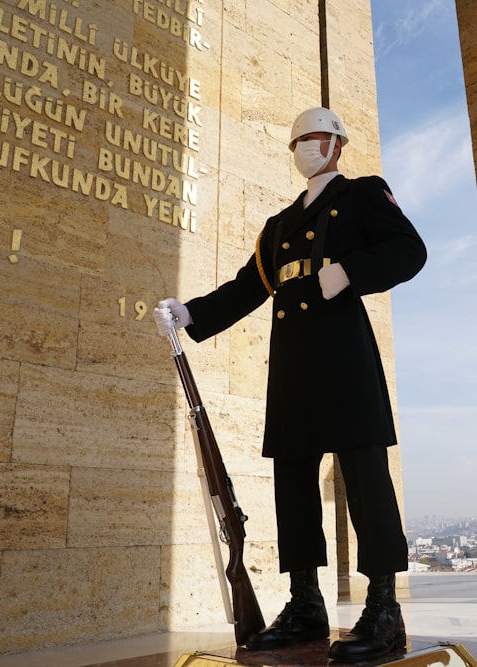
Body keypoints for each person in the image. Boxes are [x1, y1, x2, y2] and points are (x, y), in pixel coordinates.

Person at [153, 107, 426, 662]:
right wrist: (189, 313)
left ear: (338, 146)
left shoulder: (363, 195)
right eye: (299, 139)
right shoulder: (277, 226)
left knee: (366, 479)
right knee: (293, 485)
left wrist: (351, 272)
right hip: (295, 365)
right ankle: (306, 606)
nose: (307, 146)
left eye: (318, 138)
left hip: (345, 357)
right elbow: (246, 288)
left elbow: (408, 251)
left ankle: (383, 609)